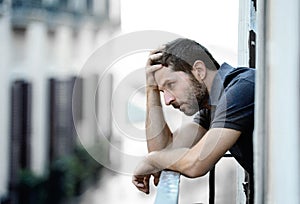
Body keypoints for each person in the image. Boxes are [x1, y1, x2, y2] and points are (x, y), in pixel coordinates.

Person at [132, 38, 255, 203]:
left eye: (171, 84)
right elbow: (165, 149)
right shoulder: (211, 108)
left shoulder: (241, 89)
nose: (167, 100)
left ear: (199, 70)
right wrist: (151, 89)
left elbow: (196, 164)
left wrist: (151, 160)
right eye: (162, 92)